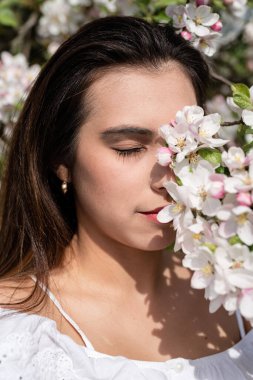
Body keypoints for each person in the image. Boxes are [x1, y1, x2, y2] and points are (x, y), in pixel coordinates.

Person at [0, 15, 252, 380]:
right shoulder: (15, 336)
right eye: (130, 148)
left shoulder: (239, 295)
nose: (167, 176)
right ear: (61, 160)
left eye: (188, 147)